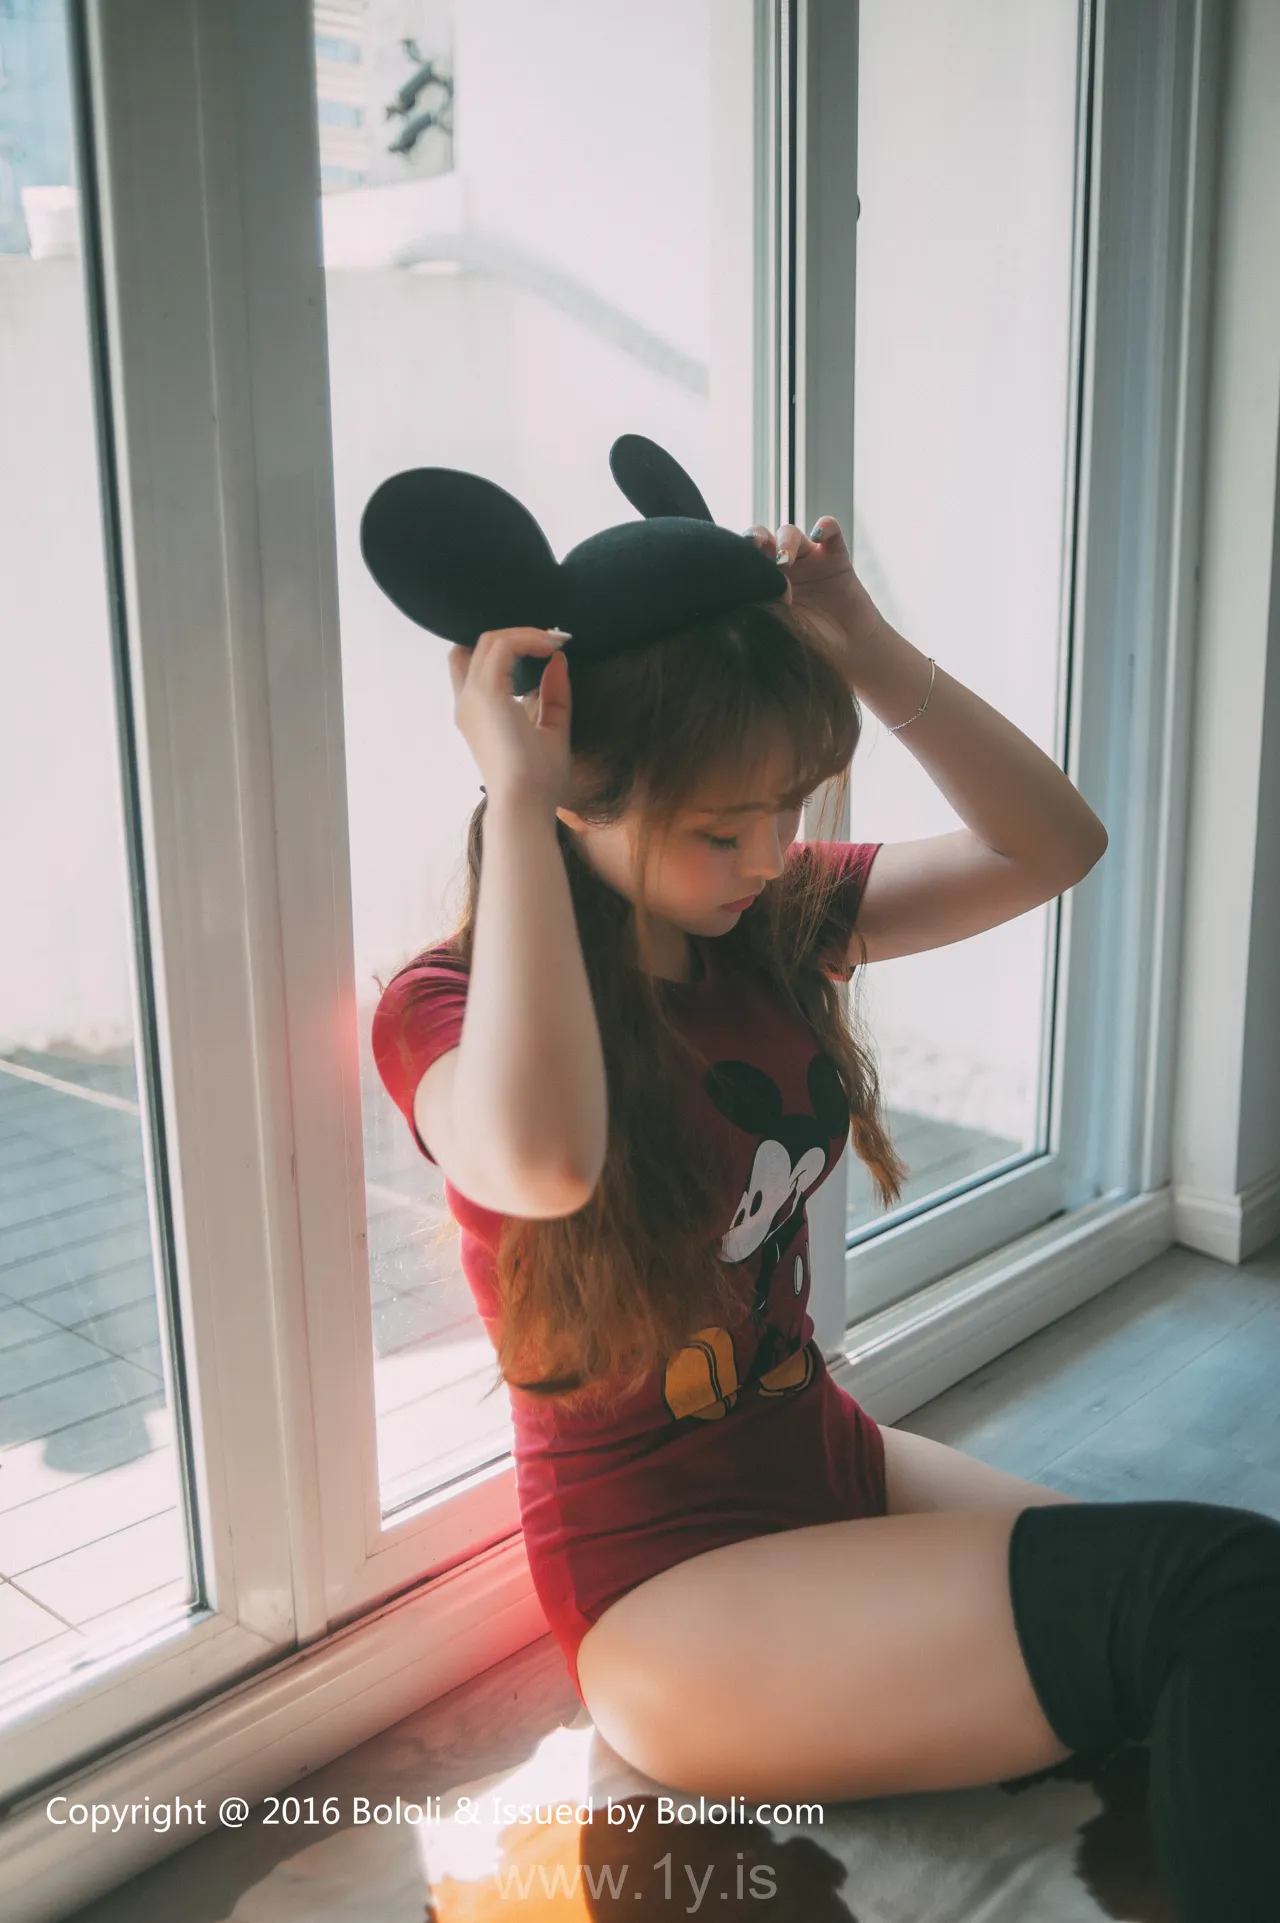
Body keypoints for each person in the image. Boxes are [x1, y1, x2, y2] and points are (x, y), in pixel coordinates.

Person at [368, 439, 1280, 1922]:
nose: (765, 855)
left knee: (1228, 1618)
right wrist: (517, 800)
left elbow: (1054, 843)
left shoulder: (766, 922)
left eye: (786, 809)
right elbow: (541, 1160)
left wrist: (862, 640)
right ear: (582, 797)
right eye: (718, 829)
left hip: (831, 1462)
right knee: (1220, 1598)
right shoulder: (447, 1004)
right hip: (668, 1601)